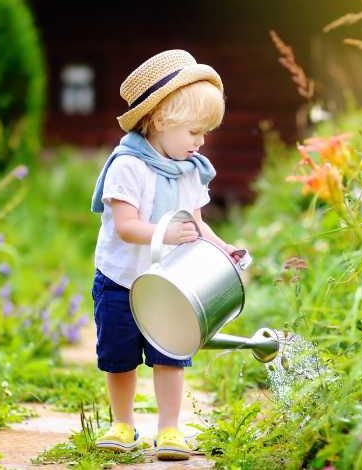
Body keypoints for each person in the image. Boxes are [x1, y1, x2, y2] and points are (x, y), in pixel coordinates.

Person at [89, 49, 241, 461]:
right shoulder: (128, 166)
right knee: (119, 357)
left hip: (169, 286)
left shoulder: (190, 169)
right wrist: (165, 233)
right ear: (159, 120)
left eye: (205, 132)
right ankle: (123, 423)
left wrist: (222, 249)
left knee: (171, 354)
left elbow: (196, 222)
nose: (201, 141)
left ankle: (170, 429)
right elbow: (126, 226)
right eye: (194, 131)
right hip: (121, 279)